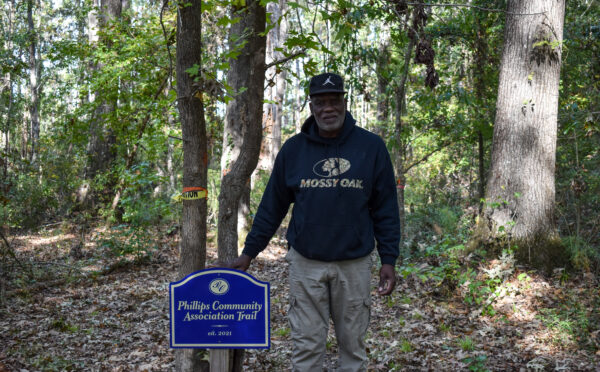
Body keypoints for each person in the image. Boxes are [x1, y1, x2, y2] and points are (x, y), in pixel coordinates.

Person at [229, 72, 400, 372]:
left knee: (353, 347)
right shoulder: (294, 151)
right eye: (320, 102)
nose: (328, 109)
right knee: (306, 346)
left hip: (354, 263)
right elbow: (272, 206)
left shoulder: (371, 148)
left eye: (334, 101)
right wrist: (249, 253)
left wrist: (389, 258)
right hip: (306, 264)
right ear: (311, 106)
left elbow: (385, 207)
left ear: (344, 103)